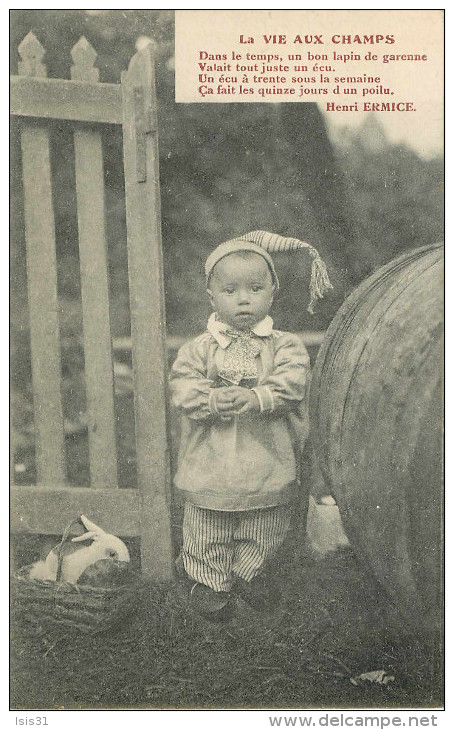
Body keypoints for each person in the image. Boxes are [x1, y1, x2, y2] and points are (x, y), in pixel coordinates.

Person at [170, 230, 332, 620]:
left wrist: (259, 397)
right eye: (230, 290)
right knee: (208, 525)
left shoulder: (284, 346)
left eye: (255, 288)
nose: (243, 298)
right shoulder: (199, 349)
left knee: (264, 526)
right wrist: (211, 398)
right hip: (212, 461)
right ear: (212, 297)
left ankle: (251, 575)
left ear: (272, 292)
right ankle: (207, 582)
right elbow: (182, 387)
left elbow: (293, 383)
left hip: (266, 456)